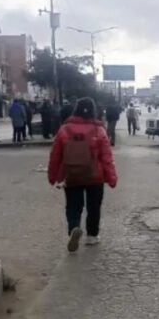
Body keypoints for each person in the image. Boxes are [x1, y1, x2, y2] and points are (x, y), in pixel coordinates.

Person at [47, 98, 117, 252]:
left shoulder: (65, 129)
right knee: (94, 207)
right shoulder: (99, 130)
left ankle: (74, 227)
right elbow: (106, 157)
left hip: (72, 174)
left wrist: (53, 176)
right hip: (95, 176)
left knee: (73, 205)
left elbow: (55, 155)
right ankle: (92, 235)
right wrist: (112, 178)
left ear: (76, 110)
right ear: (94, 111)